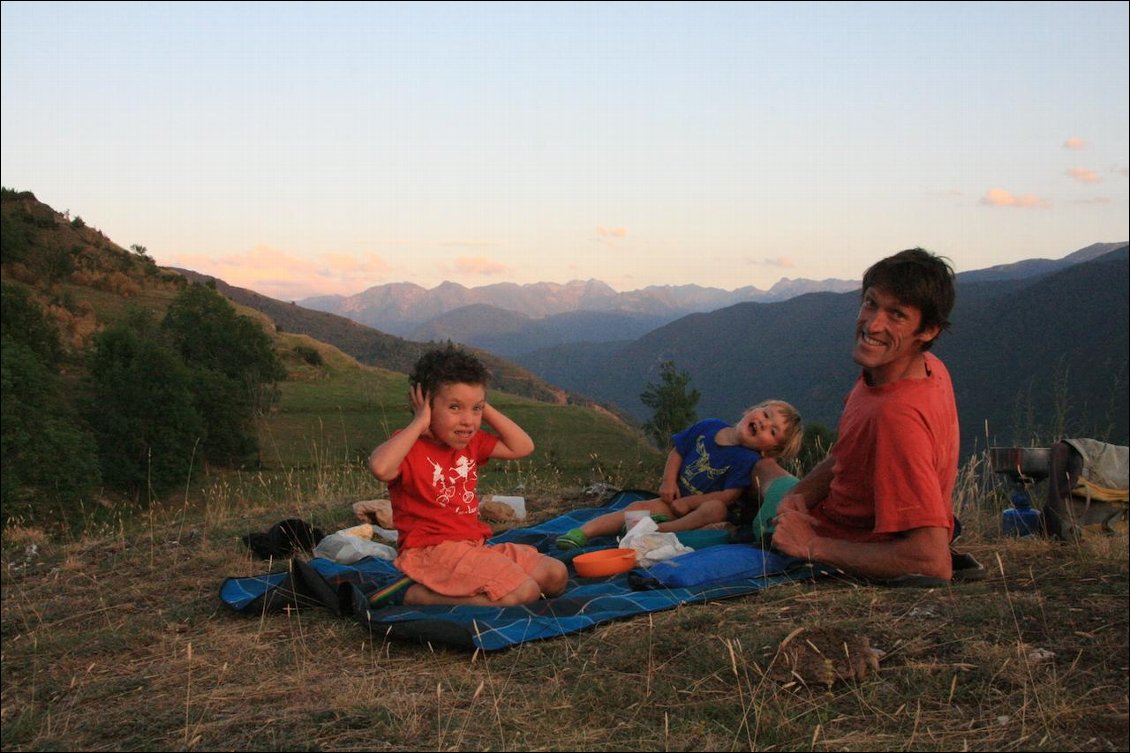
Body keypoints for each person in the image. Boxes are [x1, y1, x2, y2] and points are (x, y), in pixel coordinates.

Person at [771, 248, 959, 581]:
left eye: (897, 315)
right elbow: (851, 451)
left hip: (847, 540)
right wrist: (798, 495)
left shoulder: (897, 416)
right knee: (769, 487)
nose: (872, 325)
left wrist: (812, 546)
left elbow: (932, 562)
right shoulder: (919, 367)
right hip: (827, 515)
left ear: (928, 331)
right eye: (871, 303)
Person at [367, 346, 568, 607]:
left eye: (475, 409)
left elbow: (523, 446)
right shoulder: (410, 446)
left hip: (472, 548)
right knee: (524, 592)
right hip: (430, 552)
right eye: (455, 407)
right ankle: (413, 596)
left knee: (555, 575)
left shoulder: (471, 442)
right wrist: (419, 422)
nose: (468, 421)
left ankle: (467, 585)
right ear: (425, 404)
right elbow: (380, 468)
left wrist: (482, 406)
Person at [556, 400, 803, 549]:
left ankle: (660, 532)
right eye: (766, 415)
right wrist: (668, 481)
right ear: (753, 410)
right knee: (637, 506)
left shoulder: (748, 460)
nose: (763, 423)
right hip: (672, 500)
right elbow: (678, 451)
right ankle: (583, 532)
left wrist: (691, 502)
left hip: (697, 510)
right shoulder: (709, 426)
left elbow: (729, 495)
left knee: (716, 507)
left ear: (769, 450)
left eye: (773, 431)